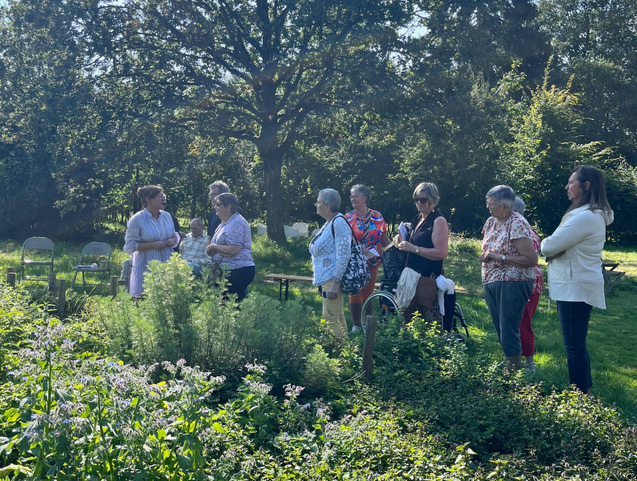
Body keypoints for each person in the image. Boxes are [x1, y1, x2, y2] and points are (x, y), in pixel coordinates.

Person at [541, 166, 614, 394]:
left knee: (574, 347)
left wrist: (551, 247)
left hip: (576, 288)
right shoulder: (585, 215)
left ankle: (580, 399)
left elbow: (548, 246)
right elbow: (555, 247)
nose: (566, 186)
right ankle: (586, 395)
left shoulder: (586, 217)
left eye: (571, 182)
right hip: (575, 286)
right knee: (576, 346)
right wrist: (555, 248)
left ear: (586, 186)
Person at [480, 185, 538, 370]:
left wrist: (500, 257)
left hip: (513, 282)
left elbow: (530, 259)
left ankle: (513, 373)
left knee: (509, 329)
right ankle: (509, 365)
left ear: (505, 206)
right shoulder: (490, 222)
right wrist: (486, 255)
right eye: (488, 203)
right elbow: (489, 247)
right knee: (500, 328)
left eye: (492, 204)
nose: (489, 207)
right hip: (492, 280)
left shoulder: (517, 222)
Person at [396, 182, 450, 325]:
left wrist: (414, 248)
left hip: (427, 281)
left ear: (433, 200)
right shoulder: (418, 218)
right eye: (416, 199)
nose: (419, 203)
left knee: (428, 324)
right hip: (411, 279)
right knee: (408, 324)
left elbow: (441, 253)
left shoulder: (438, 221)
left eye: (423, 200)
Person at [345, 184, 392, 332]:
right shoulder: (348, 217)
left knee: (368, 292)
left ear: (365, 198)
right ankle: (356, 325)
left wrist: (395, 249)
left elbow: (384, 238)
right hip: (355, 262)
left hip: (373, 261)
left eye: (356, 196)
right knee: (355, 292)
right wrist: (363, 250)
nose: (352, 198)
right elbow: (346, 239)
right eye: (351, 196)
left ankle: (368, 324)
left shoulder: (378, 216)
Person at [309, 188, 351, 339]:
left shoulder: (339, 223)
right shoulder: (329, 222)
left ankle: (339, 355)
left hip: (332, 279)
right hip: (326, 279)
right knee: (337, 317)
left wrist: (335, 283)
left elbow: (344, 254)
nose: (316, 204)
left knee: (330, 319)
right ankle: (346, 354)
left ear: (327, 206)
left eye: (318, 202)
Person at [124, 185, 180, 298]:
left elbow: (176, 235)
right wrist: (152, 245)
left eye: (164, 196)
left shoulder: (167, 216)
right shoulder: (137, 219)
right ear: (148, 199)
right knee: (145, 299)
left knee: (166, 297)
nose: (163, 198)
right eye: (160, 196)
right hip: (146, 267)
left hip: (166, 264)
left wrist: (172, 240)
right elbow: (129, 246)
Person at [512, 196, 543, 371]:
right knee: (514, 321)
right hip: (518, 280)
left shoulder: (523, 229)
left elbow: (529, 257)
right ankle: (514, 359)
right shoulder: (521, 227)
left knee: (523, 322)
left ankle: (529, 363)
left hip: (528, 280)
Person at [206, 193, 255, 301]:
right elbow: (220, 248)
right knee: (225, 305)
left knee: (232, 306)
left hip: (238, 271)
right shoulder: (224, 224)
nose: (215, 207)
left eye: (218, 204)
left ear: (228, 207)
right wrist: (213, 249)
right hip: (228, 270)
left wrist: (214, 247)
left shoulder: (236, 223)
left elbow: (234, 249)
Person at [206, 181, 244, 247]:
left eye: (214, 195)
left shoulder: (235, 211)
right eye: (210, 195)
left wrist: (215, 248)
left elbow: (235, 245)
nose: (211, 198)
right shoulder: (212, 214)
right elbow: (209, 236)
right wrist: (209, 248)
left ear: (223, 195)